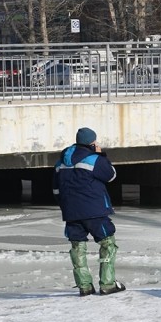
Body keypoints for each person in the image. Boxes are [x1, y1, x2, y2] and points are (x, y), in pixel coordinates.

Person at [53, 127, 124, 296]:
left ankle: (84, 286)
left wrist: (66, 207)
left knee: (78, 247)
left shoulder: (60, 162)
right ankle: (107, 284)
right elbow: (111, 175)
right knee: (108, 243)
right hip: (95, 211)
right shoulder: (94, 159)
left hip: (71, 213)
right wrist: (102, 156)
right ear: (92, 143)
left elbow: (56, 190)